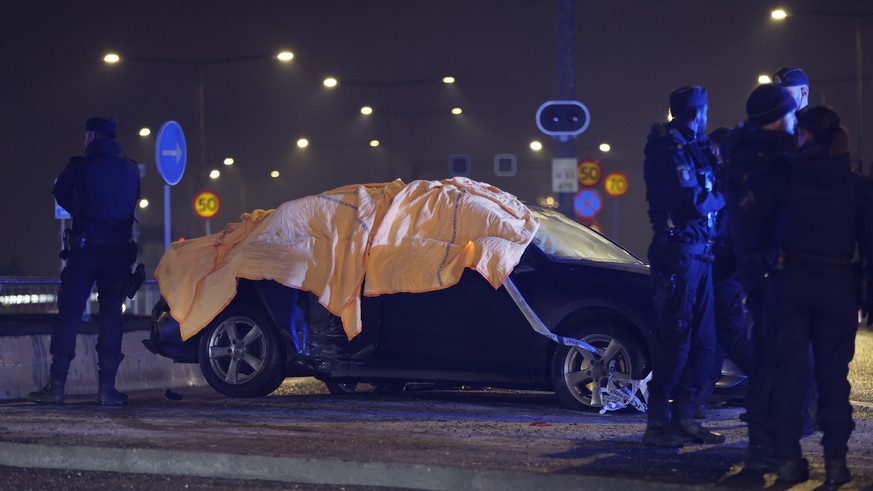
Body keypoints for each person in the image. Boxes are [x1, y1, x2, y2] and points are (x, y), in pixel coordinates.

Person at [758, 106, 873, 484]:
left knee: (788, 376)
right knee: (833, 378)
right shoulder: (855, 183)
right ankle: (837, 465)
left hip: (789, 284)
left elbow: (759, 229)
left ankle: (789, 461)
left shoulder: (785, 176)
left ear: (805, 136)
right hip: (837, 286)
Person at [28, 117, 140, 406]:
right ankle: (106, 390)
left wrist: (85, 210)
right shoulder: (130, 169)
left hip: (84, 250)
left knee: (70, 315)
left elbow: (62, 195)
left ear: (90, 136)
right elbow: (131, 203)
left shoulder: (79, 167)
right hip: (117, 253)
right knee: (112, 316)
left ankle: (57, 386)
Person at [642, 86, 726, 447]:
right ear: (697, 113)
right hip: (679, 255)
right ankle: (658, 424)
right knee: (676, 341)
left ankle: (687, 419)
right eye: (704, 111)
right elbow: (692, 203)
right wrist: (729, 194)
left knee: (705, 342)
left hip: (701, 254)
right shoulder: (667, 151)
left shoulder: (696, 147)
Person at [721, 84, 797, 473]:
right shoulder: (764, 159)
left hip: (763, 269)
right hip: (770, 271)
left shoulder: (748, 153)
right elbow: (764, 219)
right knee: (775, 360)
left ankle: (765, 444)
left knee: (774, 358)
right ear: (778, 117)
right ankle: (764, 447)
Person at [696, 127, 754, 420]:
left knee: (730, 334)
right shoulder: (727, 175)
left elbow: (728, 224)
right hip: (721, 265)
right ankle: (701, 398)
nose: (712, 154)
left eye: (715, 148)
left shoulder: (733, 178)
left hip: (728, 267)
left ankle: (765, 388)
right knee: (714, 334)